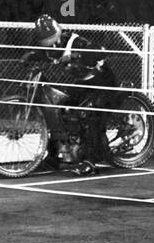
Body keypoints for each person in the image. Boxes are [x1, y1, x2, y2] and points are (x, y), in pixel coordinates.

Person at [30, 14, 102, 168]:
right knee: (58, 112)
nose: (52, 46)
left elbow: (100, 51)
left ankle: (90, 160)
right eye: (47, 44)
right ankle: (53, 157)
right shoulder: (49, 49)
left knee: (88, 115)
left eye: (53, 41)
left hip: (98, 81)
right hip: (80, 84)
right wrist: (28, 57)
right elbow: (40, 55)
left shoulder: (75, 41)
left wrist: (80, 55)